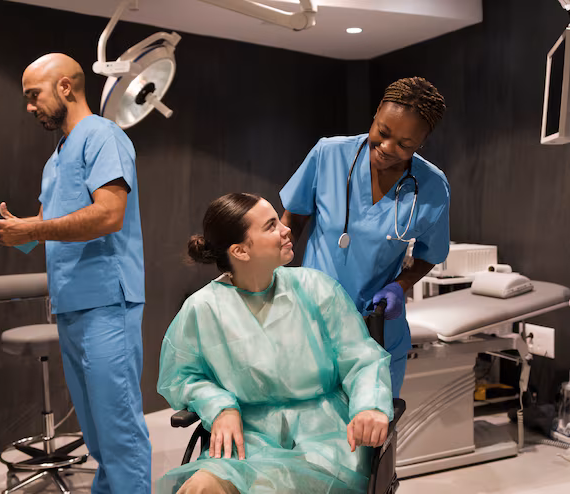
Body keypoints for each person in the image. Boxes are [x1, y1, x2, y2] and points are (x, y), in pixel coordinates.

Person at [0, 53, 151, 494]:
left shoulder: (103, 136)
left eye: (34, 95)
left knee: (118, 431)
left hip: (107, 302)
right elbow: (42, 231)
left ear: (65, 87)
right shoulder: (56, 159)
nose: (29, 107)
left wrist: (32, 228)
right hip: (70, 304)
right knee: (97, 434)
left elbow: (109, 215)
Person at [157, 193, 394, 494]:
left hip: (324, 439)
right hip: (250, 438)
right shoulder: (203, 309)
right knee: (200, 488)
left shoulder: (316, 289)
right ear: (240, 251)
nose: (286, 229)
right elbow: (182, 377)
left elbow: (362, 359)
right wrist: (219, 406)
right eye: (271, 226)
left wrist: (369, 406)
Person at [280, 77, 450, 398]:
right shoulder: (329, 154)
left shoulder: (432, 186)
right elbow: (293, 219)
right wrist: (274, 275)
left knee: (373, 424)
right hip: (312, 323)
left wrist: (400, 286)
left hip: (376, 330)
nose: (387, 148)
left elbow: (430, 254)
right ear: (375, 115)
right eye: (382, 132)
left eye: (405, 144)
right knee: (312, 421)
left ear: (421, 143)